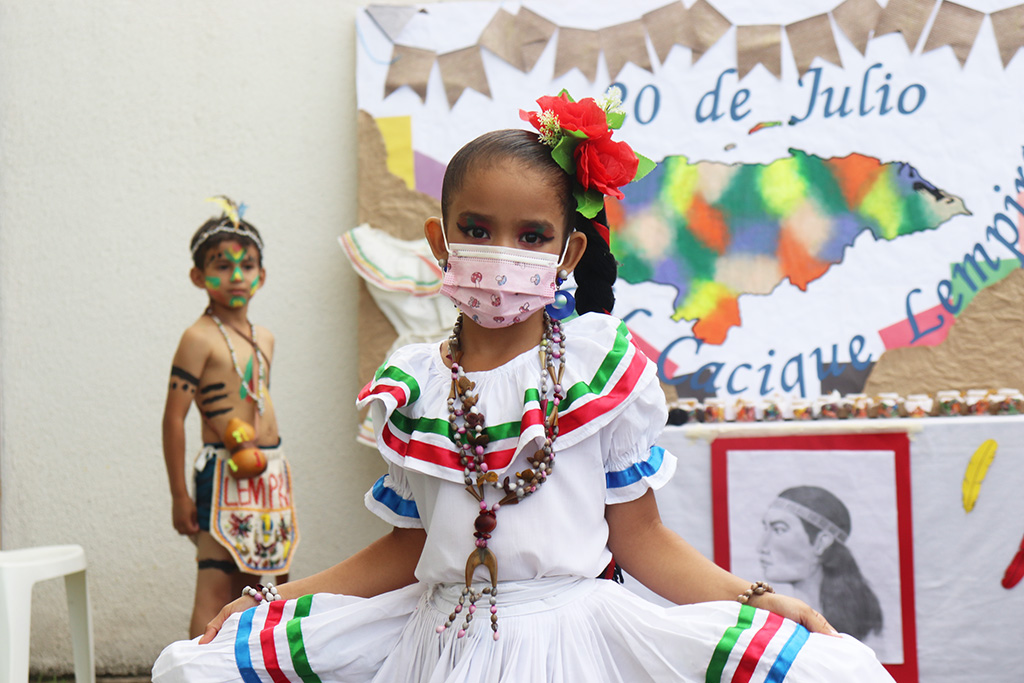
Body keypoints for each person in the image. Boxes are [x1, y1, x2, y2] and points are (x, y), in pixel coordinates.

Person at [154, 92, 893, 682]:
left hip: (572, 640)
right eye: (477, 226)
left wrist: (758, 598)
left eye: (532, 235)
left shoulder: (596, 371)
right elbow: (404, 550)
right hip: (436, 644)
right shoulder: (414, 384)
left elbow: (642, 539)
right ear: (440, 240)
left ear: (568, 249)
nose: (503, 253)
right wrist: (270, 598)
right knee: (206, 665)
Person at [161, 197, 299, 639]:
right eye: (222, 266)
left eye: (247, 265)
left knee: (269, 588)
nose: (236, 276)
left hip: (269, 473)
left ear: (262, 274)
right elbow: (173, 419)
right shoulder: (198, 338)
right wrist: (180, 496)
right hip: (223, 471)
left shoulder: (266, 338)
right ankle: (196, 668)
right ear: (198, 276)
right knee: (217, 581)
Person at [759, 485, 883, 642]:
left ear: (821, 542)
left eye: (779, 530)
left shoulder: (865, 635)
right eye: (765, 529)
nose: (761, 547)